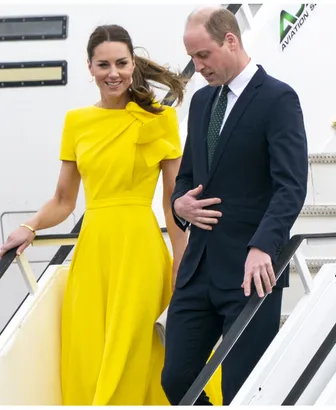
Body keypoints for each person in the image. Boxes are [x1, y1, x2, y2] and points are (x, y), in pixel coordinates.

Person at [0, 25, 221, 405]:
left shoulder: (159, 120)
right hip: (93, 257)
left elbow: (174, 199)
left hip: (141, 253)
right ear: (89, 67)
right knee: (95, 352)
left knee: (136, 350)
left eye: (121, 62)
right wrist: (29, 226)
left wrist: (181, 260)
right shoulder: (76, 122)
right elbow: (64, 200)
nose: (113, 72)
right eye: (103, 64)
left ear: (133, 63)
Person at [161, 7, 308, 405]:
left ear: (231, 40)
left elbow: (291, 187)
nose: (197, 66)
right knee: (177, 380)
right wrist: (180, 206)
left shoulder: (278, 98)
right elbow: (187, 179)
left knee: (242, 392)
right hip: (198, 270)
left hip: (251, 272)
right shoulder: (202, 102)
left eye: (203, 55)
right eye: (192, 56)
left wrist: (263, 246)